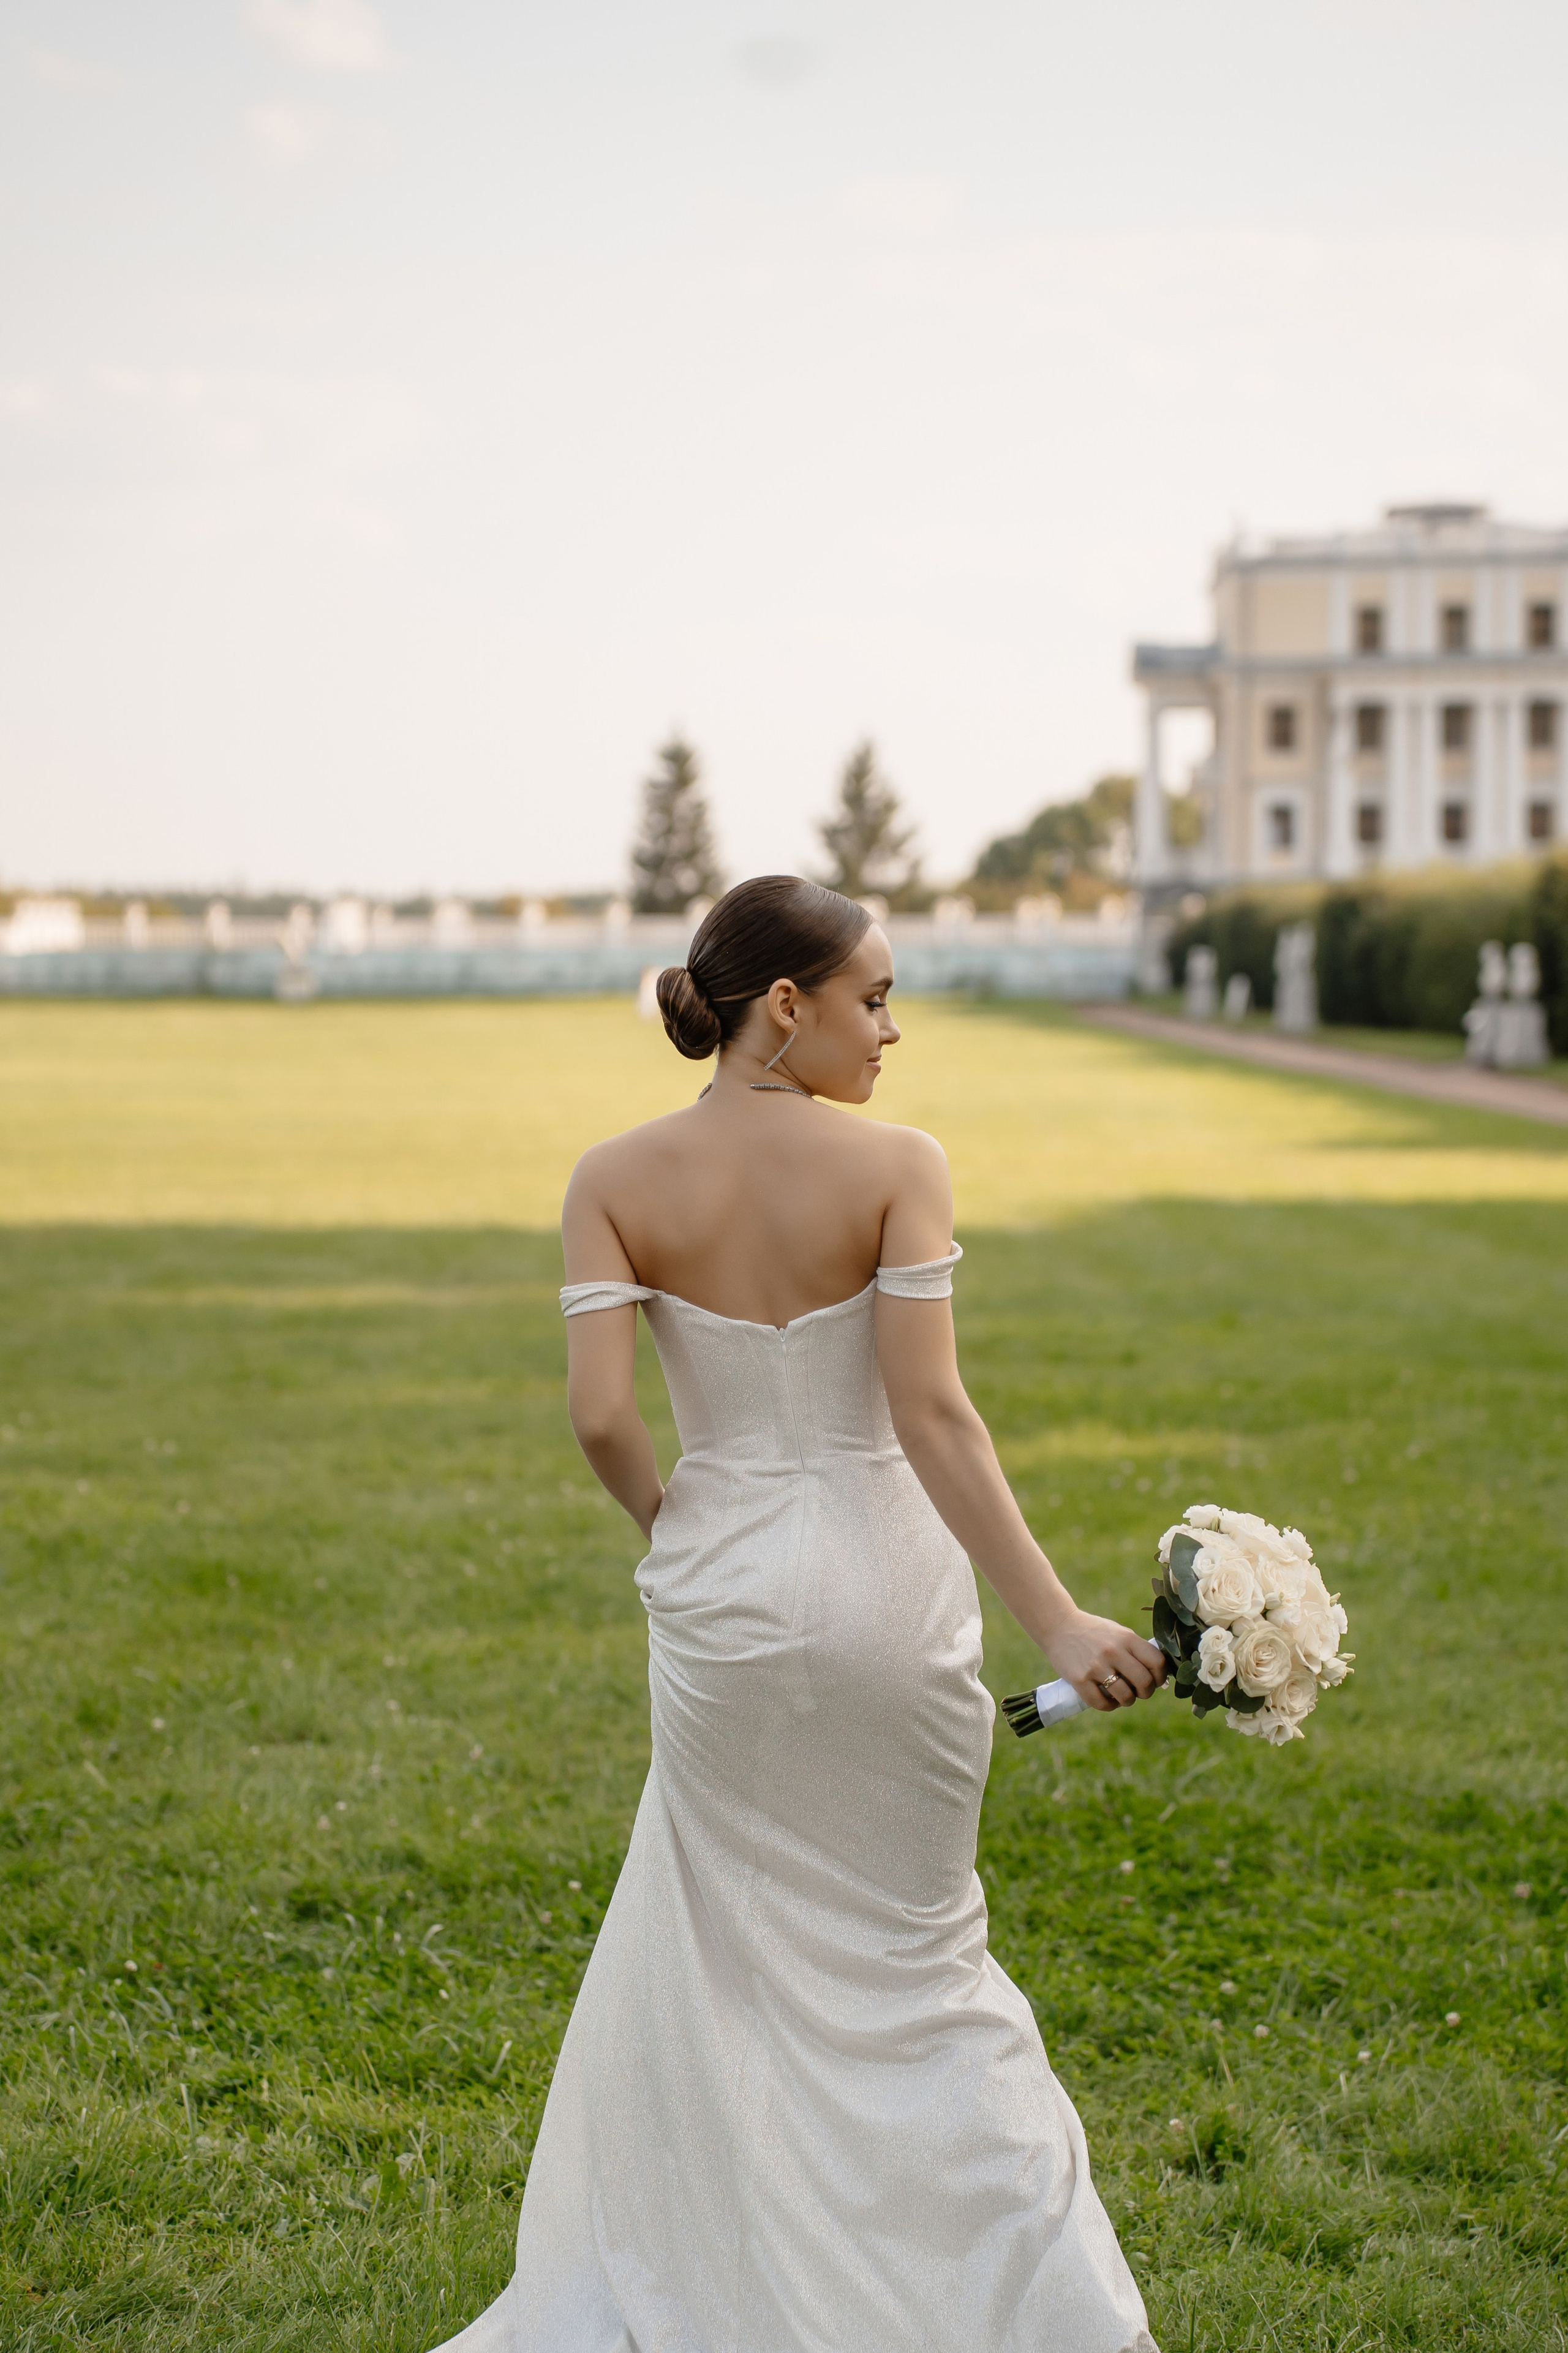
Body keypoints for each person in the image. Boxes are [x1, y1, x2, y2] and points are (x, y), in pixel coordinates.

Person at [432, 875, 1163, 2353]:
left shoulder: (610, 1174)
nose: (891, 1031)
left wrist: (677, 1533)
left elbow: (597, 1418)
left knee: (726, 1958)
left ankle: (730, 2290)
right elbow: (932, 1416)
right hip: (886, 1584)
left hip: (719, 1593)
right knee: (917, 1962)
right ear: (787, 1006)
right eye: (873, 997)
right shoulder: (899, 1163)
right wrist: (1059, 1621)